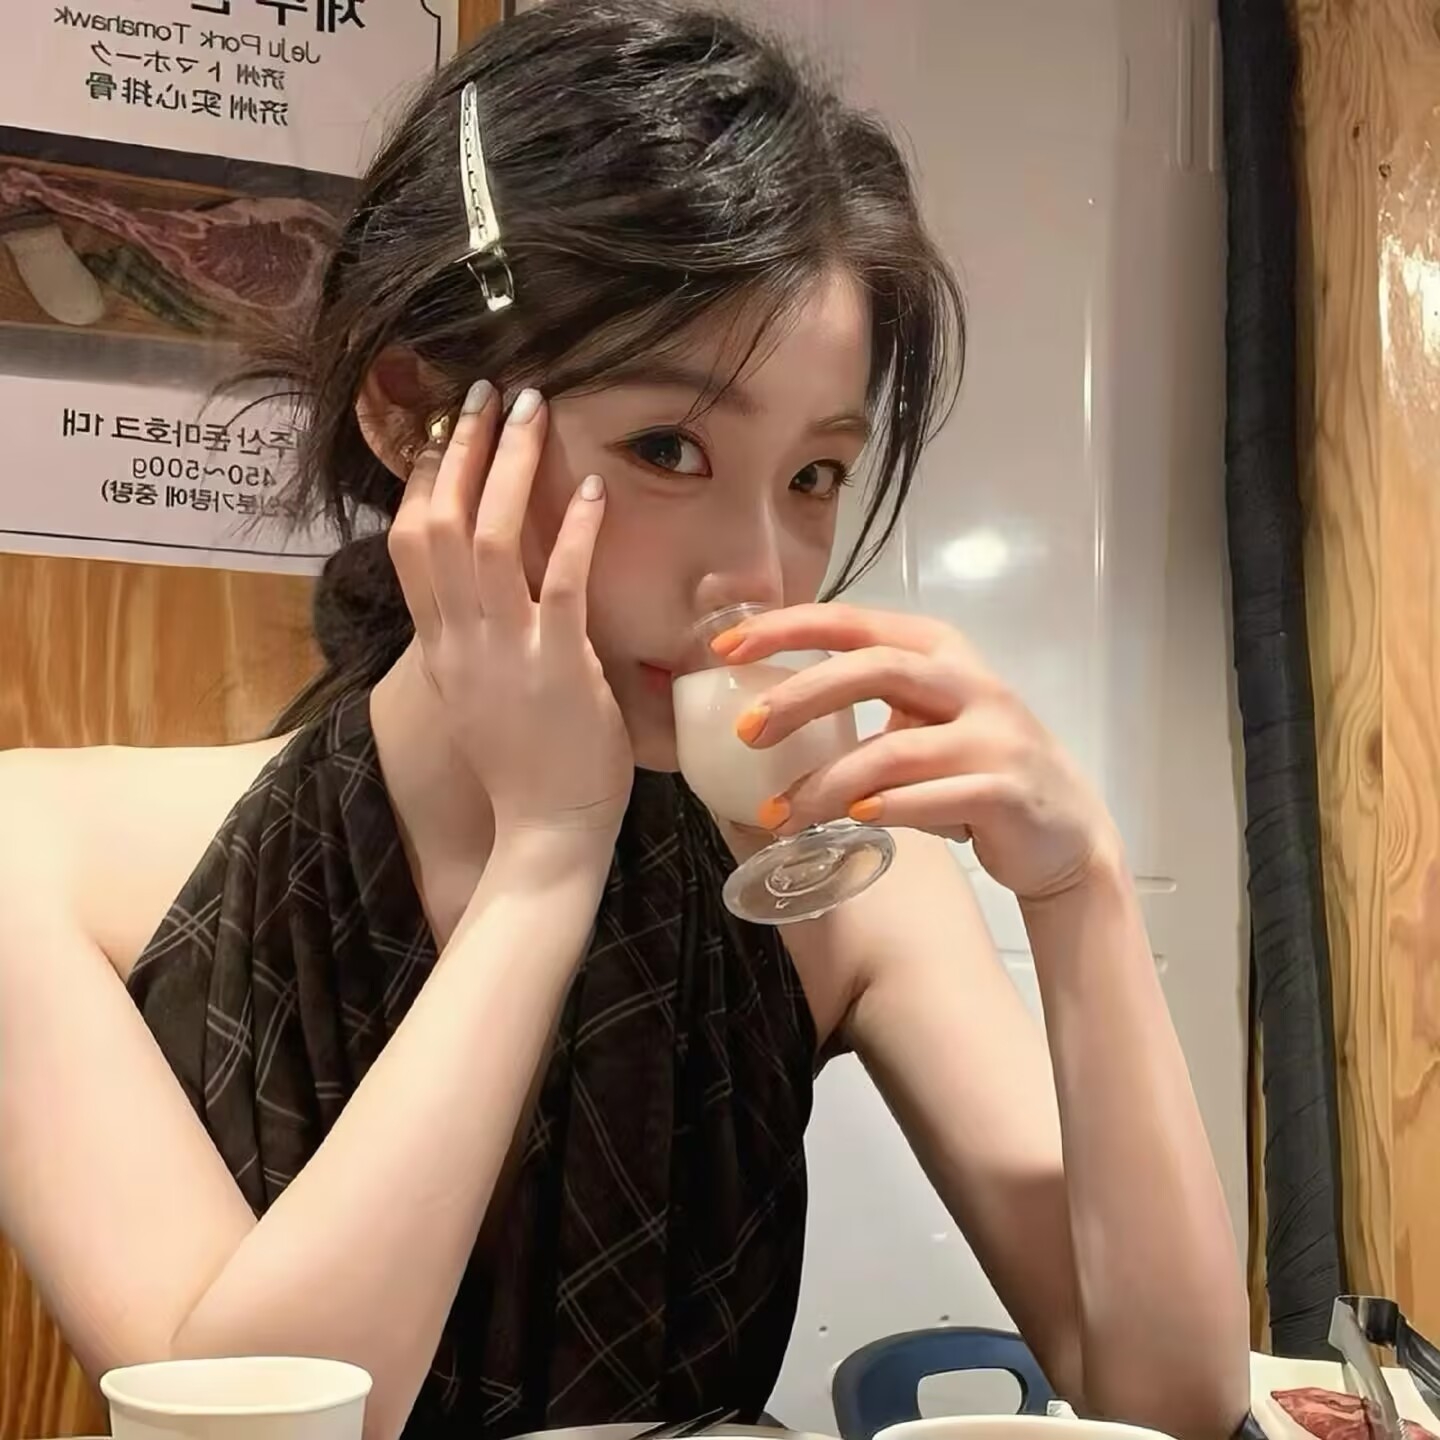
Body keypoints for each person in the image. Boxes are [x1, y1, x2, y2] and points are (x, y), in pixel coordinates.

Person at [0, 4, 1250, 1440]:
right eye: (669, 447)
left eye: (814, 475)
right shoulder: (42, 857)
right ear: (412, 413)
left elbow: (1172, 1400)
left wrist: (1080, 888)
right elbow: (253, 1426)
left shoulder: (842, 886)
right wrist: (550, 854)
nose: (759, 577)